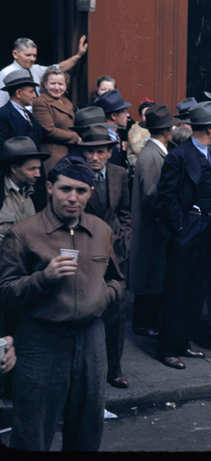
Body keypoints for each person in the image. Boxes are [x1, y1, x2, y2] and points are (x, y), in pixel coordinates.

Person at [0, 155, 125, 451]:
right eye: (65, 189)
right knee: (33, 429)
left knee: (87, 426)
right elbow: (4, 292)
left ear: (90, 193)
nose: (73, 198)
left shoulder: (100, 230)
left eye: (81, 191)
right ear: (50, 188)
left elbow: (117, 279)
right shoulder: (24, 233)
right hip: (41, 340)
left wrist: (103, 296)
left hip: (91, 338)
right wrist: (45, 277)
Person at [155, 101, 211, 369]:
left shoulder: (208, 152)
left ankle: (182, 343)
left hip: (205, 229)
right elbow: (166, 197)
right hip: (188, 229)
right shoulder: (179, 156)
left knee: (195, 289)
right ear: (209, 129)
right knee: (176, 290)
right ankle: (167, 348)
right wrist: (181, 228)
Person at [77, 124, 132, 390]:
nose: (95, 158)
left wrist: (126, 239)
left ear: (109, 153)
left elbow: (125, 211)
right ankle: (86, 371)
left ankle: (115, 369)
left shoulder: (120, 174)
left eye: (100, 152)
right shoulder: (75, 177)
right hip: (86, 253)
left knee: (117, 312)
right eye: (90, 153)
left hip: (116, 254)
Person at [129, 104, 175, 338]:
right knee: (149, 275)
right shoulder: (151, 156)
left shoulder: (154, 152)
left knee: (151, 275)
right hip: (151, 226)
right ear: (166, 131)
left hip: (153, 225)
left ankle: (146, 321)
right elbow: (151, 194)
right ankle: (143, 324)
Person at [0, 35, 88, 107]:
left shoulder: (36, 69)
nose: (32, 59)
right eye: (28, 55)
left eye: (34, 55)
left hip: (39, 113)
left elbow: (59, 67)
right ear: (15, 54)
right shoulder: (5, 73)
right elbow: (1, 101)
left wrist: (79, 55)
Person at [32, 66, 81, 173]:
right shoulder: (40, 102)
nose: (57, 87)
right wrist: (75, 137)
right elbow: (48, 130)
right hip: (53, 153)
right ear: (45, 85)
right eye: (53, 84)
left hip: (71, 152)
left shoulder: (66, 101)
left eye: (60, 84)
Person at [0, 137, 49, 241]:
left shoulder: (35, 195)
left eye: (39, 168)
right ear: (14, 169)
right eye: (32, 169)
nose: (38, 174)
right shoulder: (2, 194)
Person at [0, 69, 44, 147]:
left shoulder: (29, 114)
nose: (35, 96)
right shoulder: (3, 114)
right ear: (18, 93)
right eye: (31, 92)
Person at [93, 89, 131, 168]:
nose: (128, 115)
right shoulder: (102, 138)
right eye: (125, 112)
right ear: (113, 116)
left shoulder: (116, 135)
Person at [126, 98, 155, 168]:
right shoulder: (133, 131)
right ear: (141, 116)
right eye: (144, 115)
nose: (147, 117)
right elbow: (130, 154)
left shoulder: (160, 129)